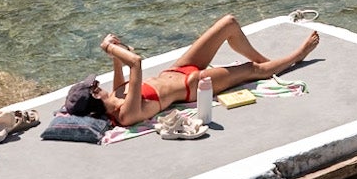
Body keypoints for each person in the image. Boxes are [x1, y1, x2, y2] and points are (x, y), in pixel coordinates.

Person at [70, 15, 321, 127]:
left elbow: (123, 64)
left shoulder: (116, 96)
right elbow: (135, 63)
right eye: (94, 88)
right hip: (192, 84)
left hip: (178, 69)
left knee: (229, 23)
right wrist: (108, 47)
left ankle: (268, 65)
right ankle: (296, 56)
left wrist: (115, 50)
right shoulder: (126, 114)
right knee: (251, 70)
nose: (97, 85)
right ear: (94, 99)